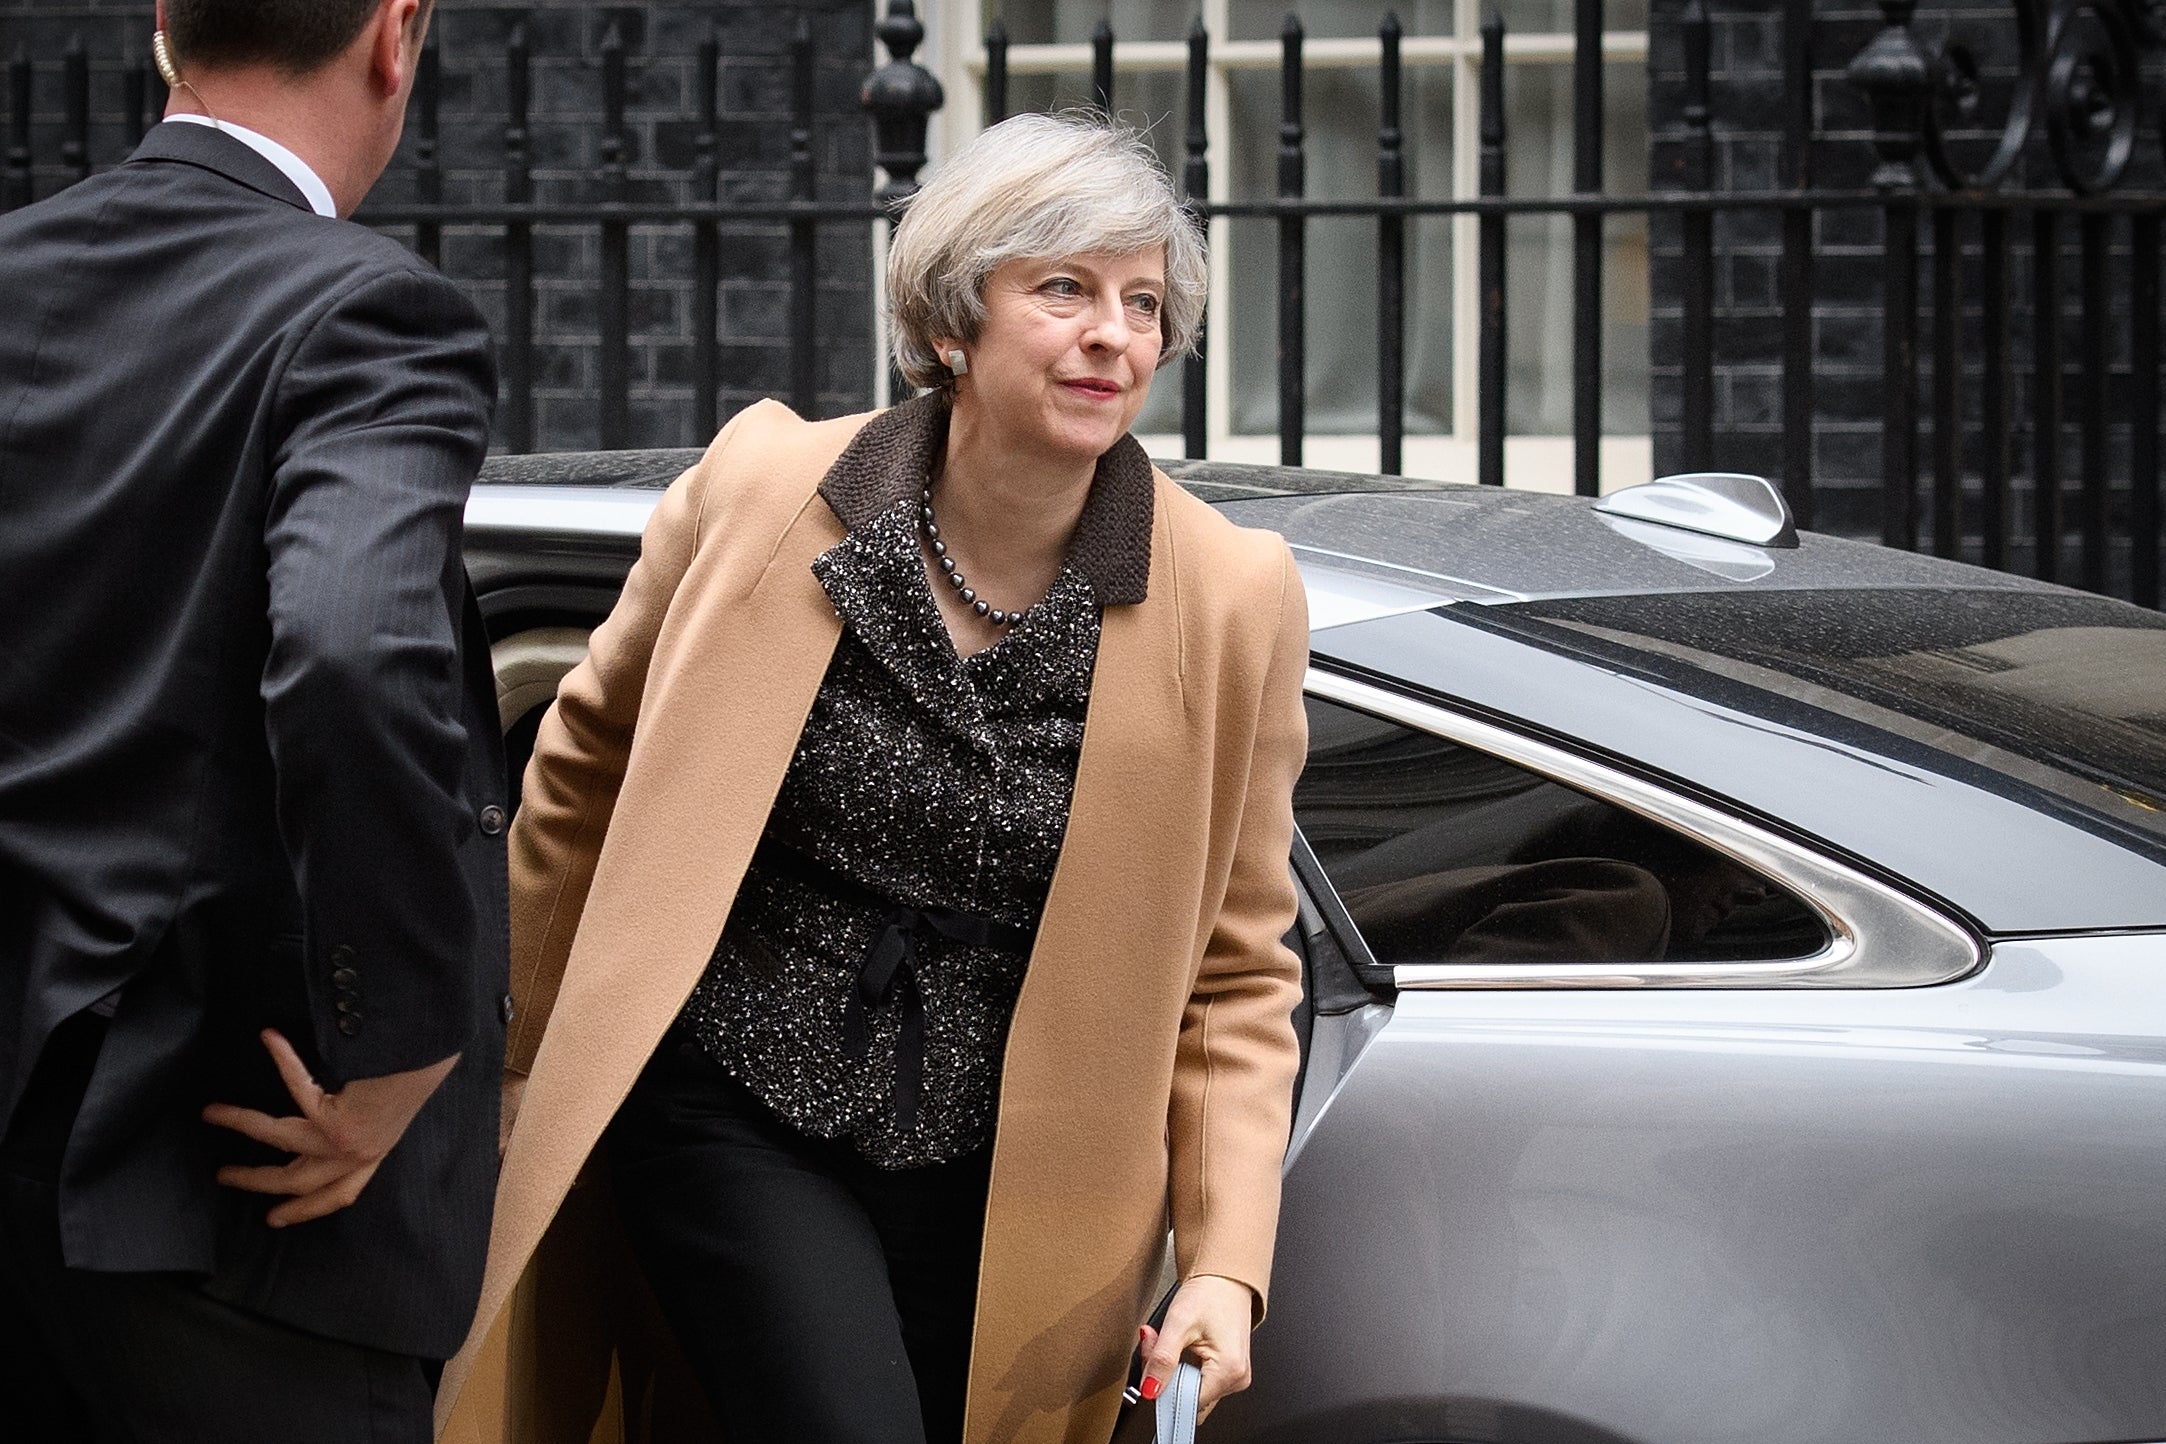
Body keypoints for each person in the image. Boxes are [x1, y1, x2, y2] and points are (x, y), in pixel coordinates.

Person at [436, 113, 1309, 1444]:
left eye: (1143, 305)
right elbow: (583, 773)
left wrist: (1225, 1261)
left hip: (1021, 1168)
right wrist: (514, 1070)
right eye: (1064, 289)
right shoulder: (763, 489)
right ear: (954, 319)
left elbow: (1239, 968)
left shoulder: (1230, 598)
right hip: (735, 1096)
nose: (1111, 336)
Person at [0, 1, 508, 1439]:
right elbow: (352, 654)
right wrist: (400, 1034)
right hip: (235, 1185)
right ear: (396, 35)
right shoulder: (368, 310)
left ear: (166, 28)